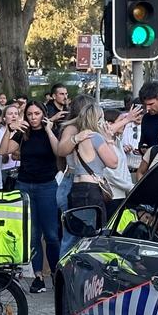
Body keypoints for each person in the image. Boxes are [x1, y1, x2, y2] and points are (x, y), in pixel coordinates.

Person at [1, 101, 59, 293]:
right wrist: (9, 129)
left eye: (37, 113)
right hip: (25, 184)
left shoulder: (51, 130)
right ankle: (38, 276)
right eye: (30, 114)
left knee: (51, 233)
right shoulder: (22, 132)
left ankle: (57, 274)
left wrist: (49, 129)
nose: (33, 118)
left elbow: (59, 151)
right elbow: (4, 151)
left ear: (43, 113)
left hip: (47, 185)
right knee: (33, 235)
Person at [63, 96, 123, 224]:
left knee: (79, 230)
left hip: (76, 187)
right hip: (91, 190)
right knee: (94, 230)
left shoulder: (80, 136)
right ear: (98, 119)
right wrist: (109, 141)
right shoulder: (95, 137)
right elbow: (113, 163)